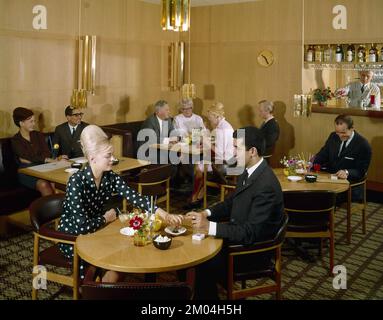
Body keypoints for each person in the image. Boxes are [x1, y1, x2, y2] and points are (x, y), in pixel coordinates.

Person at [58, 125, 181, 282]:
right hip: (73, 237)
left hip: (96, 231)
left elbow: (135, 197)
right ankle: (94, 289)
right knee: (119, 256)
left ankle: (104, 288)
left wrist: (163, 213)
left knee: (124, 253)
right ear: (92, 158)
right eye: (108, 156)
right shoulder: (76, 182)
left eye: (112, 155)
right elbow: (81, 226)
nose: (113, 160)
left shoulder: (110, 176)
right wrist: (105, 218)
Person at [186, 126, 285, 299]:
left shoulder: (266, 185)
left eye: (236, 148)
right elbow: (231, 203)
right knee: (191, 252)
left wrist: (210, 227)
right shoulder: (250, 170)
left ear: (252, 151)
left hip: (251, 251)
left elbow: (250, 233)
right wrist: (206, 213)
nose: (233, 153)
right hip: (239, 235)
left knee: (200, 261)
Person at [313, 114, 372, 201]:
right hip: (330, 179)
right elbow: (323, 154)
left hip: (350, 186)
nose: (340, 136)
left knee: (320, 197)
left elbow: (361, 171)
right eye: (337, 132)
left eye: (343, 132)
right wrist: (311, 164)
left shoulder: (363, 145)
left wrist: (347, 172)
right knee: (311, 191)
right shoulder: (333, 136)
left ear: (352, 129)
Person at [187, 102, 234, 208]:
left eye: (210, 118)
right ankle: (199, 195)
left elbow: (220, 153)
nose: (209, 121)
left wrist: (207, 143)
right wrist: (208, 144)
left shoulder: (221, 129)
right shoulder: (225, 125)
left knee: (198, 167)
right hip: (231, 160)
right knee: (203, 162)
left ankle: (195, 197)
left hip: (223, 164)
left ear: (216, 116)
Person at [11, 107, 57, 196]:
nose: (34, 124)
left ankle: (60, 208)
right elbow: (27, 156)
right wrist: (45, 159)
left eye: (34, 121)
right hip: (26, 171)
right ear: (21, 123)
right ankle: (50, 209)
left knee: (55, 182)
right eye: (31, 121)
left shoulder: (38, 135)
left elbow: (46, 152)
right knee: (44, 185)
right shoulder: (16, 140)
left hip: (43, 167)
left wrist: (35, 159)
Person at [137, 100, 176, 164]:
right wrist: (169, 140)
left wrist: (175, 138)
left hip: (163, 149)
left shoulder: (168, 120)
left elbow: (173, 133)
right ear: (158, 111)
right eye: (167, 110)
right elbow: (153, 139)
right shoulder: (150, 121)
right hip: (149, 151)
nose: (169, 112)